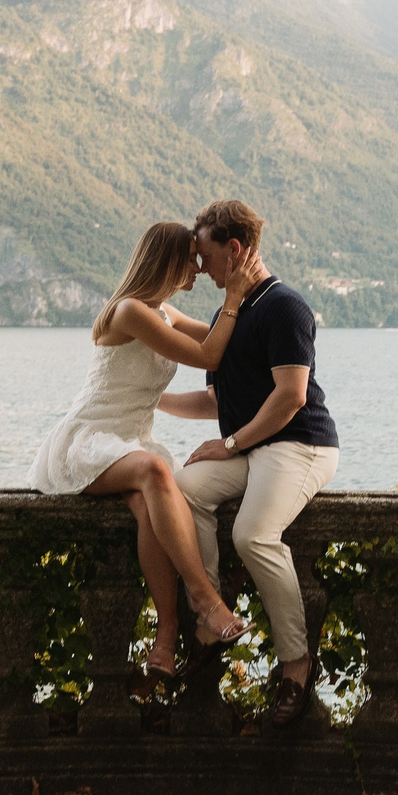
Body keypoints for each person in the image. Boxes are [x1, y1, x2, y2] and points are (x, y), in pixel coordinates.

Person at [29, 220, 256, 678]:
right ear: (167, 261)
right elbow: (209, 355)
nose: (197, 269)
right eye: (191, 260)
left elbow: (221, 342)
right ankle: (206, 601)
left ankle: (165, 640)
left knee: (147, 502)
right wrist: (231, 298)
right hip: (88, 441)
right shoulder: (130, 311)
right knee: (156, 472)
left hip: (129, 445)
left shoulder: (165, 313)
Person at [161, 198, 341, 730]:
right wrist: (150, 401)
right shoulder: (229, 312)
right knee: (184, 489)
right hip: (254, 447)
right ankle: (211, 617)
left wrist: (232, 444)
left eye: (207, 255)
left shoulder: (285, 307)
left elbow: (290, 396)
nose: (200, 267)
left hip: (301, 445)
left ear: (235, 249)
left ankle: (296, 665)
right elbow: (217, 402)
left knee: (254, 535)